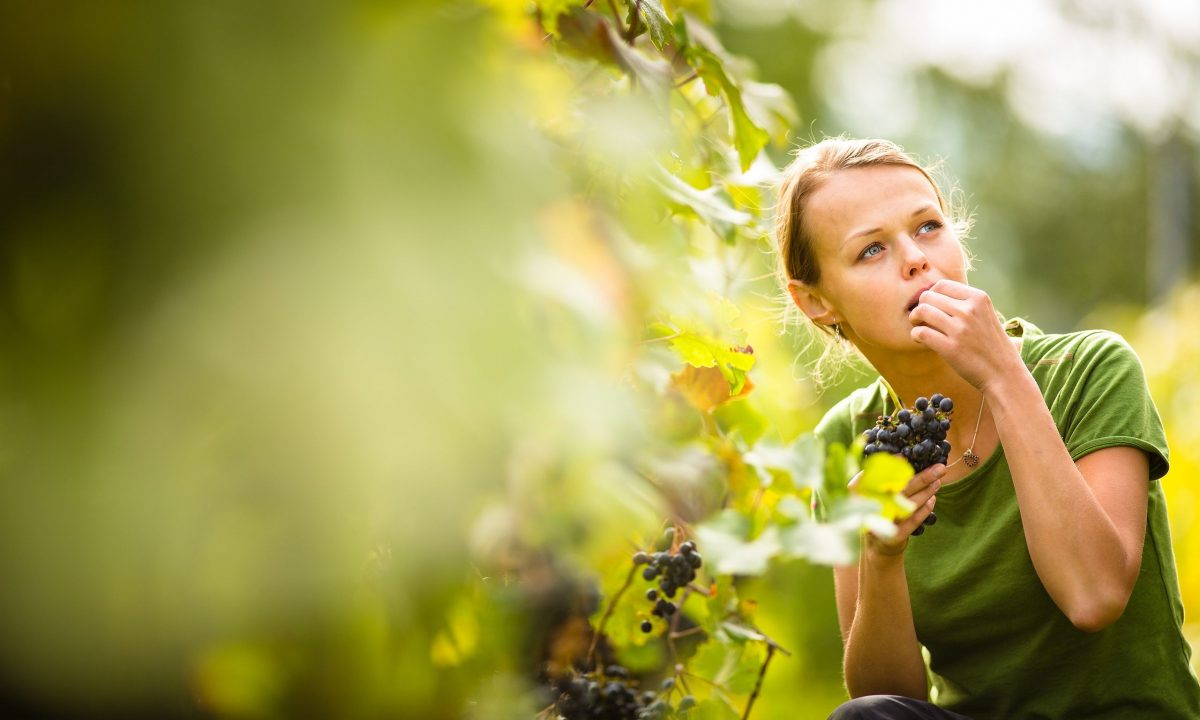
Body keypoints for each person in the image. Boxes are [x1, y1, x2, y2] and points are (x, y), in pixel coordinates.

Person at [773, 137, 1200, 719]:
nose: (916, 258)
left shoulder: (1091, 370)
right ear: (815, 301)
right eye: (871, 250)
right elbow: (884, 694)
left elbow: (1094, 597)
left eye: (927, 227)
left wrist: (1003, 374)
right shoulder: (848, 439)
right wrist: (880, 555)